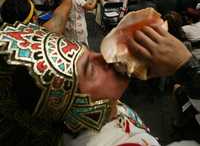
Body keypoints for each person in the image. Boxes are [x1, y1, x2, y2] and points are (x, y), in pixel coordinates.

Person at [0, 14, 200, 146]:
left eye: (88, 52)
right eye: (90, 68)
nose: (103, 57)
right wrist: (187, 68)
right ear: (77, 107)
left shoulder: (100, 112)